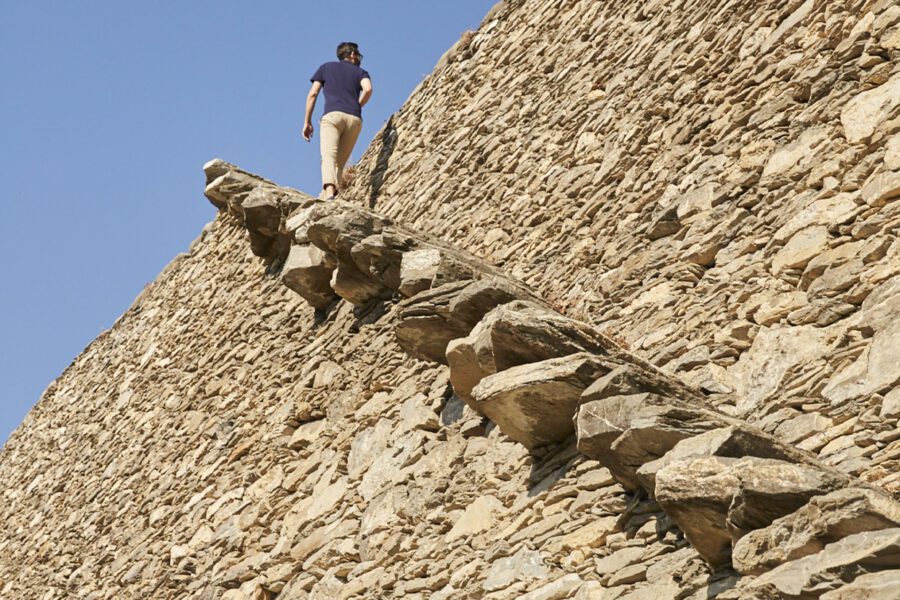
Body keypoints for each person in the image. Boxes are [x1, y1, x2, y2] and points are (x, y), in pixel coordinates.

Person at [303, 42, 373, 200]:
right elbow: (368, 89)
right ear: (353, 55)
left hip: (333, 116)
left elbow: (313, 94)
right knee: (339, 163)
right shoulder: (361, 72)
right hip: (354, 119)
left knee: (328, 156)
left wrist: (307, 121)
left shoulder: (326, 68)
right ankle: (333, 195)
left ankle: (328, 192)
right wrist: (358, 105)